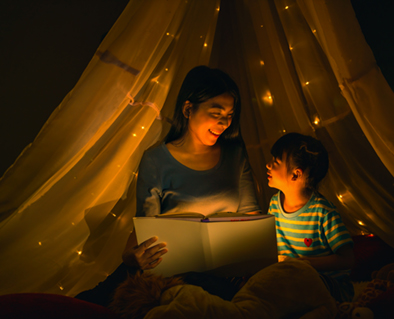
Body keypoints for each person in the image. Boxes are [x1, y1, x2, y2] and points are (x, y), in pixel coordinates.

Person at [76, 65, 261, 305]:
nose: (224, 123)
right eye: (216, 113)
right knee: (86, 304)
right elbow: (146, 227)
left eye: (230, 114)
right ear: (188, 109)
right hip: (170, 270)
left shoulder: (235, 156)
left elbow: (250, 217)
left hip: (223, 273)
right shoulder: (156, 160)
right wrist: (135, 257)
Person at [265, 132, 355, 303]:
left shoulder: (323, 213)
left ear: (295, 174)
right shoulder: (274, 204)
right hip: (289, 280)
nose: (268, 165)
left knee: (300, 287)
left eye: (275, 162)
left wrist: (305, 264)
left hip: (327, 285)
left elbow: (347, 259)